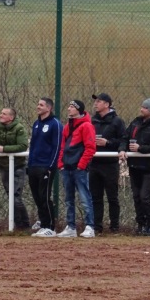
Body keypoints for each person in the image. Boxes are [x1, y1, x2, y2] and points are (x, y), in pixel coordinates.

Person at [118, 98, 150, 236]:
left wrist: (140, 148)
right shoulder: (135, 122)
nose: (141, 109)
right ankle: (141, 224)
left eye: (144, 107)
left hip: (148, 167)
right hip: (134, 165)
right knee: (136, 196)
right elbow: (124, 138)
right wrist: (122, 149)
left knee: (145, 197)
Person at [57, 100, 96, 238]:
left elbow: (90, 147)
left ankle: (90, 226)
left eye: (72, 107)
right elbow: (62, 146)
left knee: (85, 198)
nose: (69, 109)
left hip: (78, 168)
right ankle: (71, 227)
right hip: (67, 167)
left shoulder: (86, 126)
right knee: (68, 199)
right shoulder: (67, 126)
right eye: (69, 106)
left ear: (79, 110)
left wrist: (81, 165)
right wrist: (61, 164)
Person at [90, 92, 125, 234]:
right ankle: (97, 227)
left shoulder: (117, 121)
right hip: (94, 163)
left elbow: (123, 140)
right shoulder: (93, 121)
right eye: (96, 101)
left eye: (98, 101)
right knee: (95, 197)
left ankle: (114, 227)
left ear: (107, 104)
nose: (95, 104)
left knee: (112, 197)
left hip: (110, 164)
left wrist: (108, 143)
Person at [0, 107, 30, 230]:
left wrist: (5, 149)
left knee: (16, 197)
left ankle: (24, 225)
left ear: (11, 117)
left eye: (4, 114)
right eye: (1, 112)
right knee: (10, 196)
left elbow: (23, 146)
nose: (0, 115)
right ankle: (19, 226)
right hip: (4, 166)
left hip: (18, 166)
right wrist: (0, 148)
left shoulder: (19, 128)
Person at [28, 98, 63, 238]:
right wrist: (29, 164)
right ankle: (43, 224)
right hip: (33, 166)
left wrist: (51, 166)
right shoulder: (36, 124)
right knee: (37, 197)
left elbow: (57, 147)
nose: (38, 107)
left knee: (44, 196)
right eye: (38, 104)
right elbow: (33, 146)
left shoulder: (55, 124)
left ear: (48, 108)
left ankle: (50, 227)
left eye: (41, 105)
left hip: (46, 166)